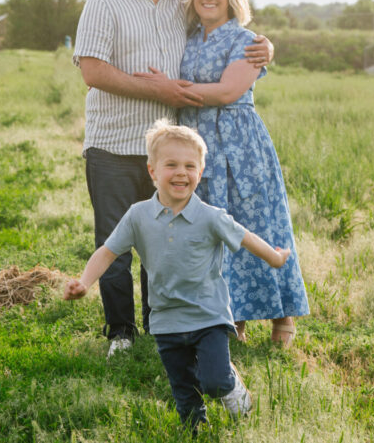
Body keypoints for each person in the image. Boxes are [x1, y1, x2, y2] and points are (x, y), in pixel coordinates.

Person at [73, 0, 272, 357]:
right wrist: (158, 89)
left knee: (168, 244)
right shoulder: (104, 3)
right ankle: (122, 333)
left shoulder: (182, 4)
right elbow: (93, 71)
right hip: (113, 144)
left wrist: (264, 49)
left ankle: (161, 323)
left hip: (167, 154)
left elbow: (222, 19)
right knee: (116, 242)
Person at [64, 120, 290, 432]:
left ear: (200, 171)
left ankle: (230, 384)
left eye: (190, 165)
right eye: (171, 165)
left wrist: (276, 258)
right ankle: (193, 431)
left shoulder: (209, 217)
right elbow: (108, 251)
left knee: (213, 380)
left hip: (208, 315)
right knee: (184, 388)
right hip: (166, 317)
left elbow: (246, 236)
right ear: (152, 171)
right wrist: (84, 282)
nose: (181, 172)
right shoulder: (138, 215)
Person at [137, 0, 309, 346]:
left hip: (240, 144)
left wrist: (170, 88)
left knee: (259, 223)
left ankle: (284, 316)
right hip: (195, 147)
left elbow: (228, 91)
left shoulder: (247, 41)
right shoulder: (189, 36)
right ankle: (234, 318)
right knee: (215, 232)